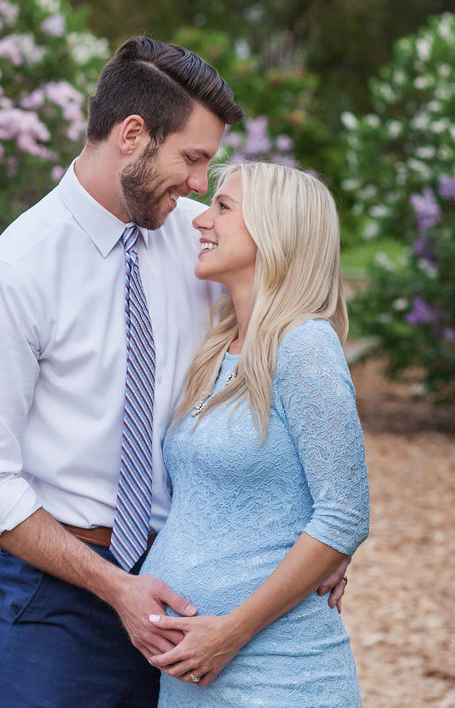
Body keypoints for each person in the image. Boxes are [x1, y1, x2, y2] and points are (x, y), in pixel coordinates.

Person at [0, 38, 348, 707]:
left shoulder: (204, 241)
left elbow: (301, 326)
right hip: (64, 596)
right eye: (193, 158)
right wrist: (117, 587)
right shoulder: (13, 276)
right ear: (133, 135)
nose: (198, 184)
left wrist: (329, 531)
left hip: (204, 594)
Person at [140, 161, 370, 706]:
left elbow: (345, 513)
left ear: (275, 230)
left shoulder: (306, 347)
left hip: (275, 675)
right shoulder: (218, 349)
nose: (201, 222)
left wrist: (230, 632)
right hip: (190, 675)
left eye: (223, 208)